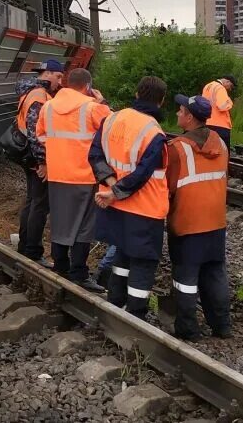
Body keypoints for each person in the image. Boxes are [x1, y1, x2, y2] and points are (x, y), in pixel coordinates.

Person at [89, 75, 169, 320]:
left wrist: (112, 186)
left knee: (122, 255)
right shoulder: (153, 131)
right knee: (143, 263)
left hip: (116, 207)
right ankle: (136, 315)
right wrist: (116, 192)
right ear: (161, 101)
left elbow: (94, 155)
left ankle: (116, 303)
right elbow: (143, 173)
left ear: (136, 94)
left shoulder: (112, 118)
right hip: (145, 210)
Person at [36, 68, 110, 291]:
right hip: (84, 175)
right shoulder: (92, 108)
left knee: (60, 222)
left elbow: (40, 136)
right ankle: (79, 273)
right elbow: (113, 129)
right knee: (83, 227)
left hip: (58, 174)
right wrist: (102, 101)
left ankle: (60, 266)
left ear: (68, 83)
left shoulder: (48, 106)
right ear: (88, 86)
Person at [166, 93, 231, 341]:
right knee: (215, 273)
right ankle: (222, 326)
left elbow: (168, 187)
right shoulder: (221, 145)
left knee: (185, 278)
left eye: (180, 111)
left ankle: (188, 329)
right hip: (215, 222)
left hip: (187, 223)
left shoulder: (177, 149)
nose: (177, 114)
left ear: (190, 117)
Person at [15, 59, 64, 266]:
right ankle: (32, 251)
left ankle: (24, 245)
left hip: (28, 155)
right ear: (48, 74)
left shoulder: (31, 92)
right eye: (59, 76)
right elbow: (37, 133)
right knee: (40, 204)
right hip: (36, 159)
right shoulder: (39, 97)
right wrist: (43, 162)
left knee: (32, 201)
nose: (60, 82)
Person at [201, 76, 235, 148]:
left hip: (207, 122)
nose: (230, 89)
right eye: (231, 86)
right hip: (220, 125)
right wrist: (230, 102)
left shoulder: (208, 86)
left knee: (209, 150)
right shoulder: (220, 88)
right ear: (227, 81)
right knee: (223, 153)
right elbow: (222, 107)